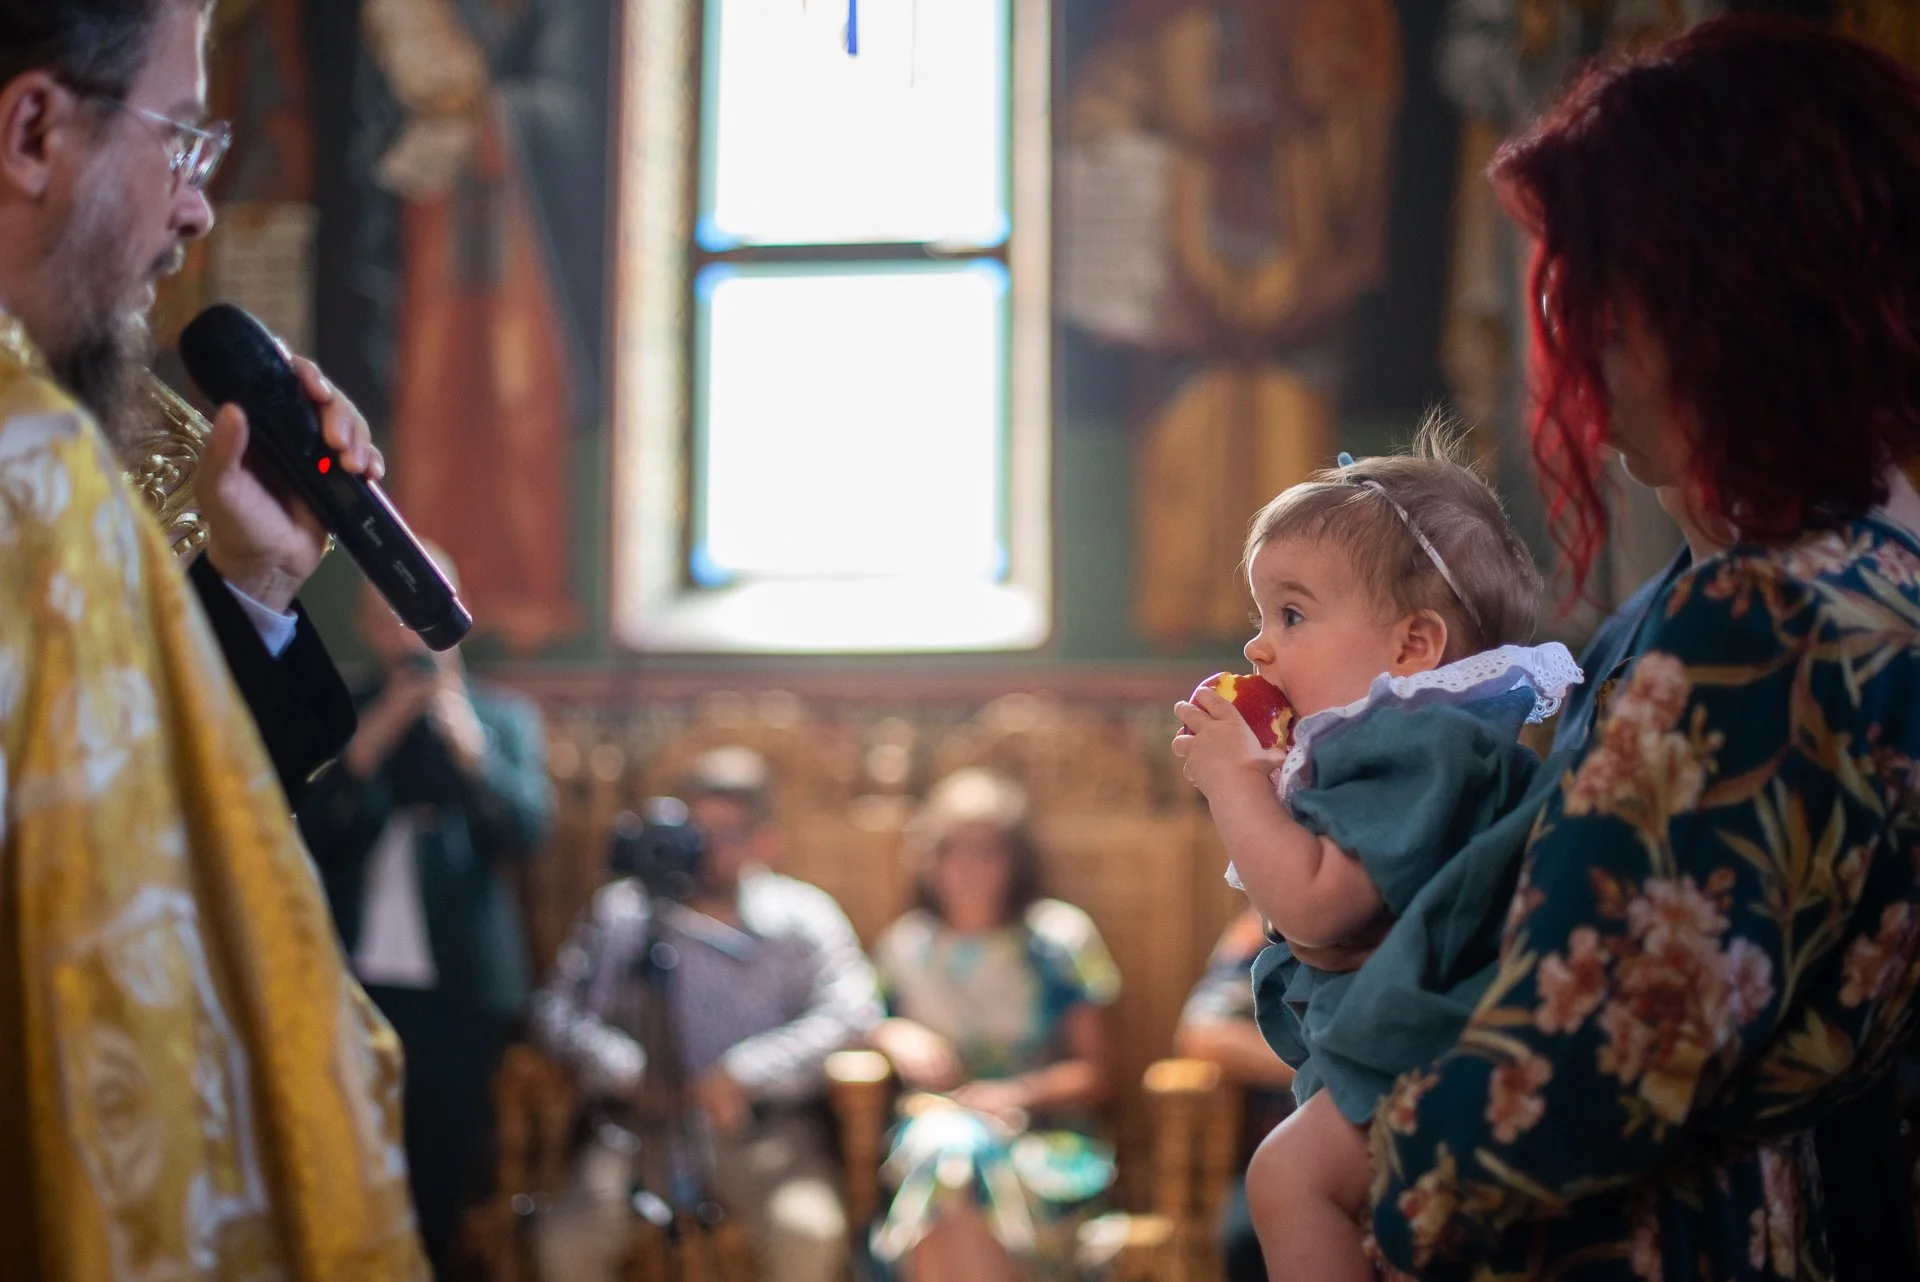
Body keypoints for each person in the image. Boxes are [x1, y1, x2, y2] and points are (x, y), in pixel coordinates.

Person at [1361, 18, 1920, 1278]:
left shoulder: (1756, 623)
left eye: (1607, 309)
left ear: (1728, 303)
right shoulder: (1889, 573)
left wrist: (1363, 1156)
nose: (1585, 364)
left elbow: (1564, 1086)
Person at [0, 0, 424, 1276]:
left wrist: (254, 578)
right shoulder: (44, 466)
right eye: (180, 140)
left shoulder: (103, 444)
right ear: (32, 131)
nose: (195, 211)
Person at [1172, 434, 1580, 1281]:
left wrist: (1232, 785)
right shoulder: (1407, 747)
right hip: (1399, 1041)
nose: (1259, 647)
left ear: (1412, 647)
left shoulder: (1419, 745)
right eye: (1260, 617)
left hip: (1436, 1047)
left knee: (1285, 1182)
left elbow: (1317, 907)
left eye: (1291, 615)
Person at [532, 747, 881, 1282]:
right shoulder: (625, 912)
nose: (708, 849)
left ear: (767, 840)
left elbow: (853, 1011)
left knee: (808, 1236)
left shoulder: (802, 916)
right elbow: (557, 1010)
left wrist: (747, 1073)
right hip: (636, 1134)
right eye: (696, 831)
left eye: (730, 833)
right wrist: (626, 1069)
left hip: (766, 1135)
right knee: (566, 1243)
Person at [299, 564, 554, 1276]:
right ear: (365, 626)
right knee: (347, 1156)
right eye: (386, 616)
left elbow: (527, 836)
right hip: (351, 972)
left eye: (414, 611)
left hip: (460, 983)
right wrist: (374, 736)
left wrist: (467, 742)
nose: (402, 631)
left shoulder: (501, 717)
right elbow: (307, 836)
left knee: (443, 1163)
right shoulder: (341, 707)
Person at [866, 768, 1121, 1282]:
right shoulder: (903, 946)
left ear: (1016, 859)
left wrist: (1012, 1095)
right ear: (929, 858)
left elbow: (1096, 1075)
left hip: (1041, 1141)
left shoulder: (1057, 939)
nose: (969, 867)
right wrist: (889, 1032)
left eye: (987, 850)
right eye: (951, 849)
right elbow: (853, 1017)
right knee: (949, 1151)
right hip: (931, 1135)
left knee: (960, 1162)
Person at [1172, 907, 1297, 1282]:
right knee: (1248, 1236)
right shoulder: (1269, 924)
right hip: (1281, 1143)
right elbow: (1202, 1032)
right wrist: (1321, 1073)